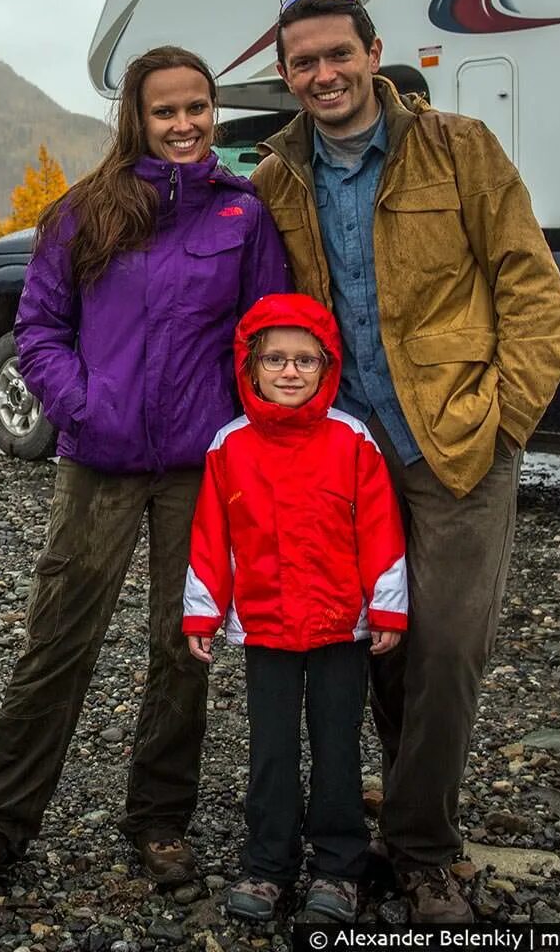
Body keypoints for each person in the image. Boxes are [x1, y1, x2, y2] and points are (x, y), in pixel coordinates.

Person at [250, 0, 560, 922]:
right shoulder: (277, 180)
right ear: (285, 74)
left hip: (458, 442)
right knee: (376, 645)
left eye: (338, 54)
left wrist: (506, 418)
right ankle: (400, 806)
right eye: (304, 61)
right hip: (342, 457)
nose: (324, 74)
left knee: (446, 646)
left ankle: (426, 847)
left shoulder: (458, 148)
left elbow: (533, 293)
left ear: (373, 52)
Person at [0, 45, 290, 892]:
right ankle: (0, 824)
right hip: (98, 461)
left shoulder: (242, 217)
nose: (184, 124)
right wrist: (82, 407)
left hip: (199, 472)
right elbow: (41, 328)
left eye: (197, 108)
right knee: (58, 639)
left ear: (213, 112)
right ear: (136, 114)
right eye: (166, 110)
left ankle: (160, 822)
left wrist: (246, 431)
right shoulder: (83, 213)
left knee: (184, 648)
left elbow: (268, 331)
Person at [182, 291, 407, 924]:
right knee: (272, 752)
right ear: (249, 366)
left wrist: (387, 610)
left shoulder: (352, 438)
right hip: (267, 630)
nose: (290, 372)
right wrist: (202, 614)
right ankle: (268, 865)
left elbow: (381, 532)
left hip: (341, 627)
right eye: (276, 359)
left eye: (305, 361)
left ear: (327, 366)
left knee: (337, 749)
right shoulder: (229, 446)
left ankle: (339, 868)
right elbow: (211, 540)